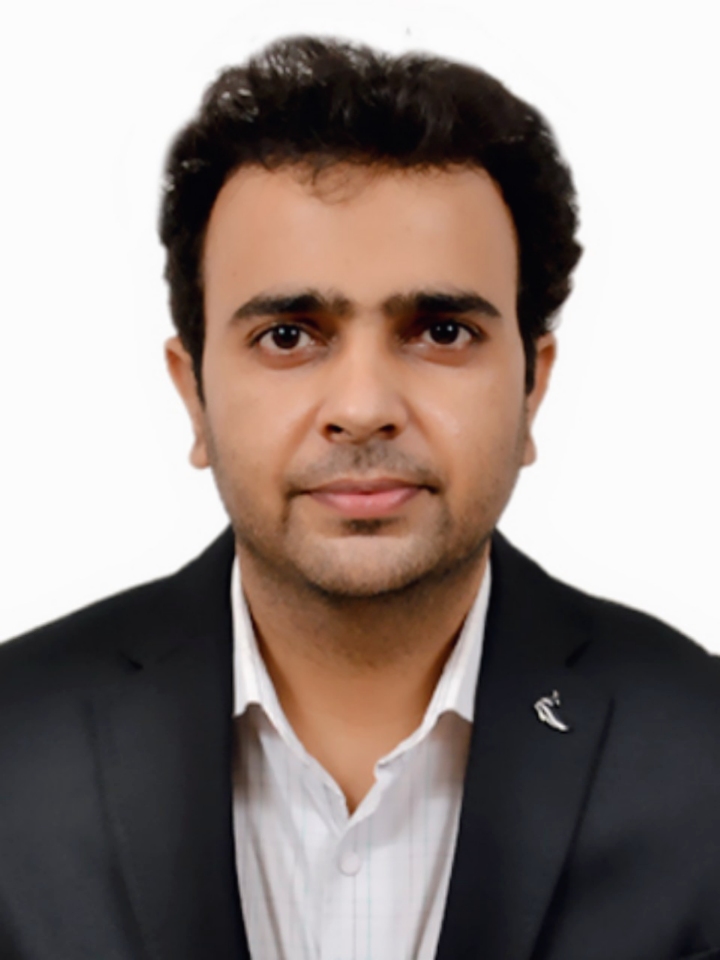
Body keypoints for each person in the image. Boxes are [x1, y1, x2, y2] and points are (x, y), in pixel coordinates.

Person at [1, 33, 719, 960]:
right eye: (289, 335)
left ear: (532, 388)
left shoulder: (703, 752)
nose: (364, 407)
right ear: (195, 396)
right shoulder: (14, 744)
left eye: (442, 331)